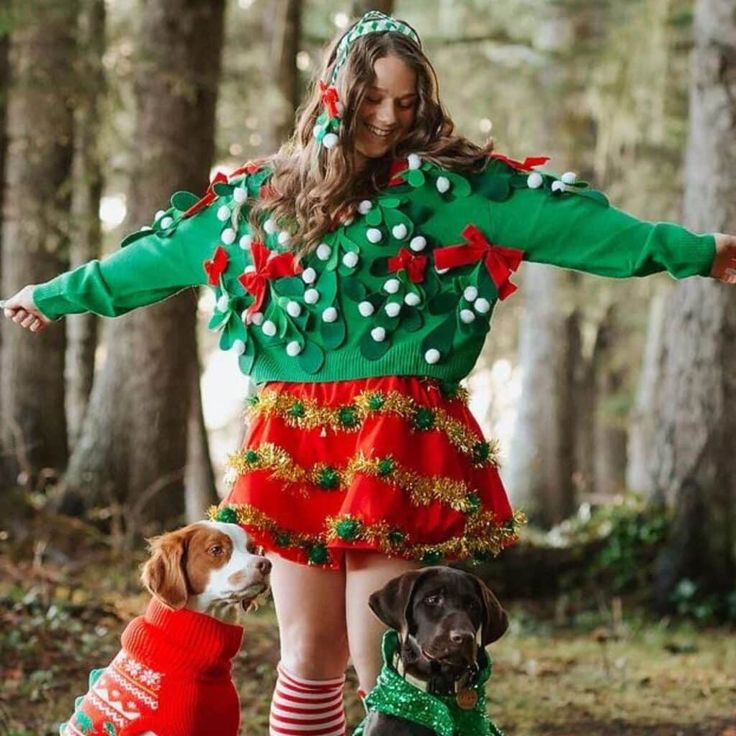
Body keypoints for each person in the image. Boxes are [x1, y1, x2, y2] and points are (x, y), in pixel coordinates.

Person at [4, 10, 736, 736]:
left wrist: (696, 251)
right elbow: (154, 259)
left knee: (383, 654)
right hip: (292, 443)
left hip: (393, 438)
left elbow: (572, 225)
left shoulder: (447, 193)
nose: (389, 118)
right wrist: (52, 295)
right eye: (374, 99)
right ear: (335, 93)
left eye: (406, 101)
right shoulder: (260, 201)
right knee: (308, 655)